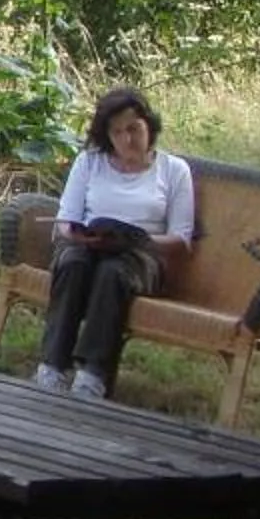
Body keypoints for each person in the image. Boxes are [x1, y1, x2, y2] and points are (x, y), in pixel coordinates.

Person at [35, 86, 196, 400]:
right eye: (117, 132)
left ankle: (92, 376)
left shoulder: (174, 171)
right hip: (86, 245)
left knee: (113, 273)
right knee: (74, 263)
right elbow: (66, 219)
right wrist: (80, 234)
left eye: (134, 129)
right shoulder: (90, 162)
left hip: (141, 255)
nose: (127, 140)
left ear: (149, 126)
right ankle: (52, 367)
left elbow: (181, 239)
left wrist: (138, 239)